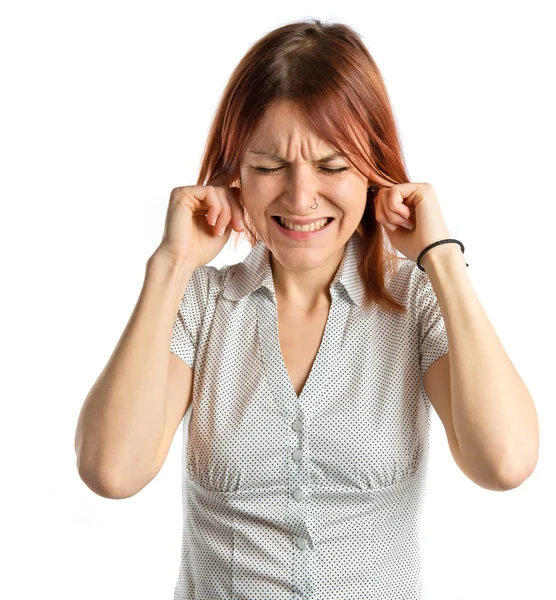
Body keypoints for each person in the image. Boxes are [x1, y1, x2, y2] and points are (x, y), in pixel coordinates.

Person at [74, 18, 451, 599]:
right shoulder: (201, 305)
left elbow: (504, 462)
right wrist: (171, 265)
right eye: (270, 167)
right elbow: (111, 471)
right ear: (235, 174)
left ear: (374, 174)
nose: (301, 198)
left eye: (331, 167)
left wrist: (439, 257)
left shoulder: (415, 303)